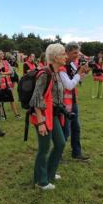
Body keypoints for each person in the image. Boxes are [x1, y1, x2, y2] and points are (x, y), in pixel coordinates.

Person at [30, 44, 67, 190]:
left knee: (60, 143)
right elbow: (36, 99)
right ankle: (41, 180)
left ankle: (50, 173)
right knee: (44, 148)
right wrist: (41, 122)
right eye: (63, 54)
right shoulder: (45, 73)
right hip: (43, 117)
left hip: (53, 115)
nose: (66, 56)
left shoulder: (55, 72)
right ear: (56, 57)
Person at [60, 42, 91, 162]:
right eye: (74, 53)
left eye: (77, 53)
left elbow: (77, 80)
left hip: (73, 101)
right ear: (66, 52)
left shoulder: (73, 65)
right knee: (65, 130)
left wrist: (83, 73)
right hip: (64, 103)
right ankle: (59, 153)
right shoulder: (61, 66)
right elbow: (68, 85)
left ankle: (76, 152)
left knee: (76, 128)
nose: (77, 55)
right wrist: (79, 73)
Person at [0, 50, 21, 119]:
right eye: (1, 54)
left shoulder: (6, 62)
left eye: (3, 54)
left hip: (8, 84)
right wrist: (2, 74)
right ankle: (1, 115)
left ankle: (16, 114)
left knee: (11, 99)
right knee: (0, 101)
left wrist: (3, 73)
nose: (2, 55)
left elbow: (11, 71)